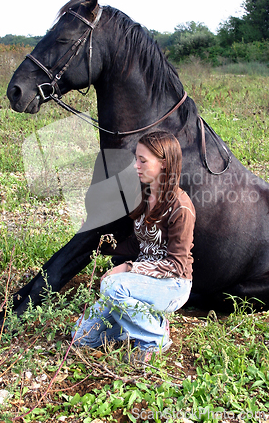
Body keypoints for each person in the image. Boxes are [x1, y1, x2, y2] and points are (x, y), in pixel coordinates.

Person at [71, 130, 196, 363]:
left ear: (164, 164)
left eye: (142, 160)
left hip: (172, 285)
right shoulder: (144, 195)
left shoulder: (181, 207)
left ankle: (155, 336)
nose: (136, 165)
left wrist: (129, 268)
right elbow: (136, 244)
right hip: (139, 284)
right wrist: (100, 244)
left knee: (112, 285)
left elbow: (177, 265)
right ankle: (142, 324)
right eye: (135, 158)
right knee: (81, 336)